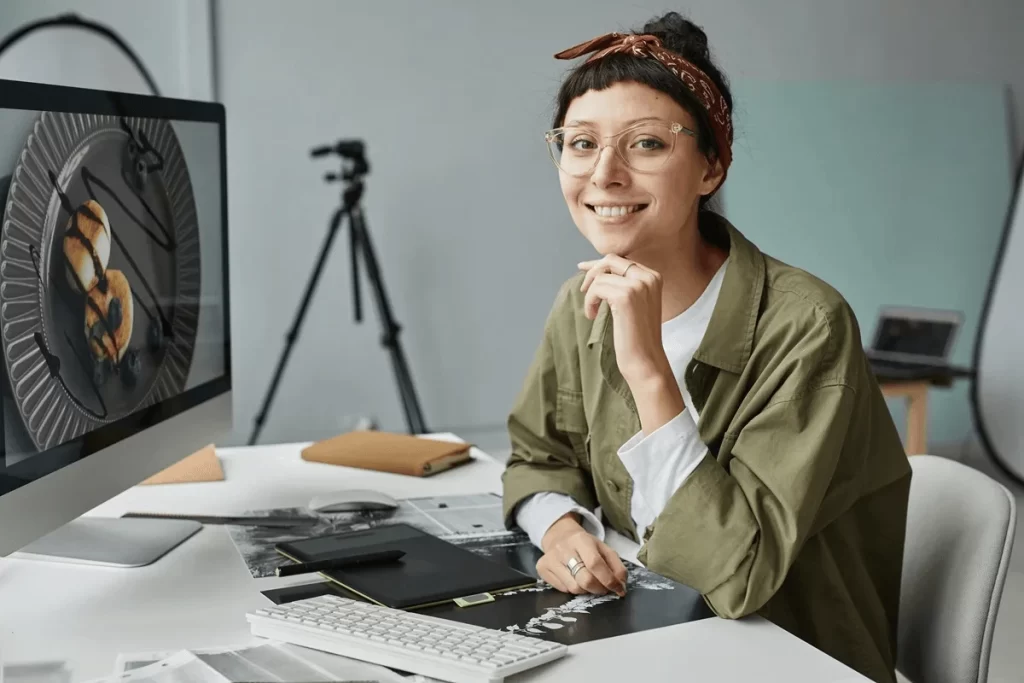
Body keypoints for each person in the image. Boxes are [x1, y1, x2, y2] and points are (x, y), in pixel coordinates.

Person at [500, 11, 912, 683]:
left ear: (710, 167)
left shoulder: (806, 323)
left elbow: (740, 575)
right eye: (580, 143)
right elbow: (538, 455)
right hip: (652, 633)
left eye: (647, 145)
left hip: (786, 654)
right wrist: (563, 530)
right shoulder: (581, 304)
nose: (603, 174)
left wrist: (648, 370)